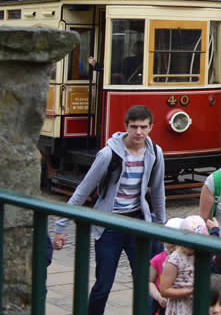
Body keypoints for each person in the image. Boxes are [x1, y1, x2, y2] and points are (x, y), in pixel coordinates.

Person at [53, 104, 165, 315]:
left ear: (151, 127)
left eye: (143, 127)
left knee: (144, 281)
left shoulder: (155, 153)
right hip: (109, 226)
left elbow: (158, 192)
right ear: (125, 127)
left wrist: (161, 226)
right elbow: (83, 189)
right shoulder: (107, 155)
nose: (138, 132)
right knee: (103, 283)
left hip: (137, 224)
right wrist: (60, 226)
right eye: (134, 127)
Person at [158, 216, 208, 315]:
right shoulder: (175, 260)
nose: (194, 247)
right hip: (181, 308)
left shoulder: (202, 256)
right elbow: (164, 290)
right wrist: (188, 291)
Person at [150, 218, 185, 314]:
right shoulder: (158, 259)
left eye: (173, 248)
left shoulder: (188, 261)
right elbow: (149, 282)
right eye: (167, 248)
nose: (170, 252)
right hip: (163, 304)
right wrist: (158, 297)